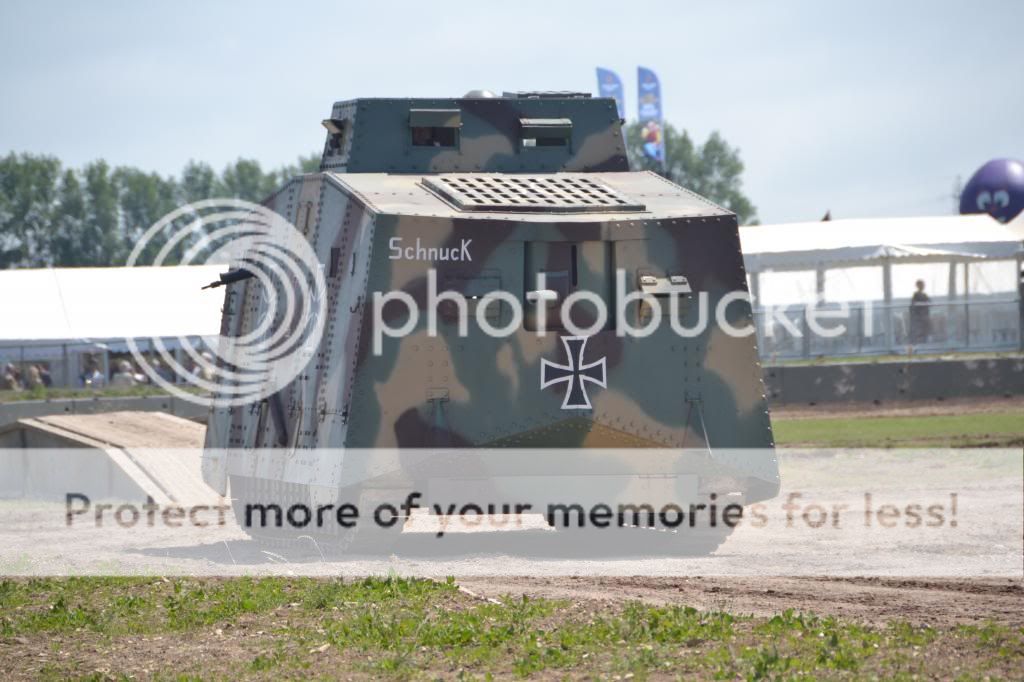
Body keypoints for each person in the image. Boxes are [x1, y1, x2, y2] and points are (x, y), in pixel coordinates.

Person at [909, 279, 931, 344]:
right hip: (918, 316)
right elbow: (913, 304)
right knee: (918, 330)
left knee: (926, 329)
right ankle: (916, 342)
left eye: (923, 285)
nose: (922, 286)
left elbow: (929, 302)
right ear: (918, 286)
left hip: (925, 315)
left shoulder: (925, 295)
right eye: (921, 285)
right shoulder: (915, 295)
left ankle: (925, 341)